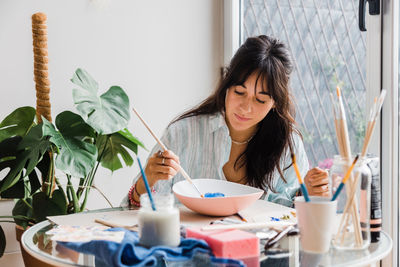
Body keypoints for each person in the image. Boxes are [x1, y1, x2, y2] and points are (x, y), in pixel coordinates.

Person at [125, 35, 329, 208]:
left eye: (260, 100)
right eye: (240, 92)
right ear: (227, 85)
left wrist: (308, 194)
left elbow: (292, 217)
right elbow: (131, 212)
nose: (246, 107)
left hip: (260, 253)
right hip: (188, 252)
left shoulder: (288, 146)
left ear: (275, 103)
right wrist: (146, 181)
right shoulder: (182, 133)